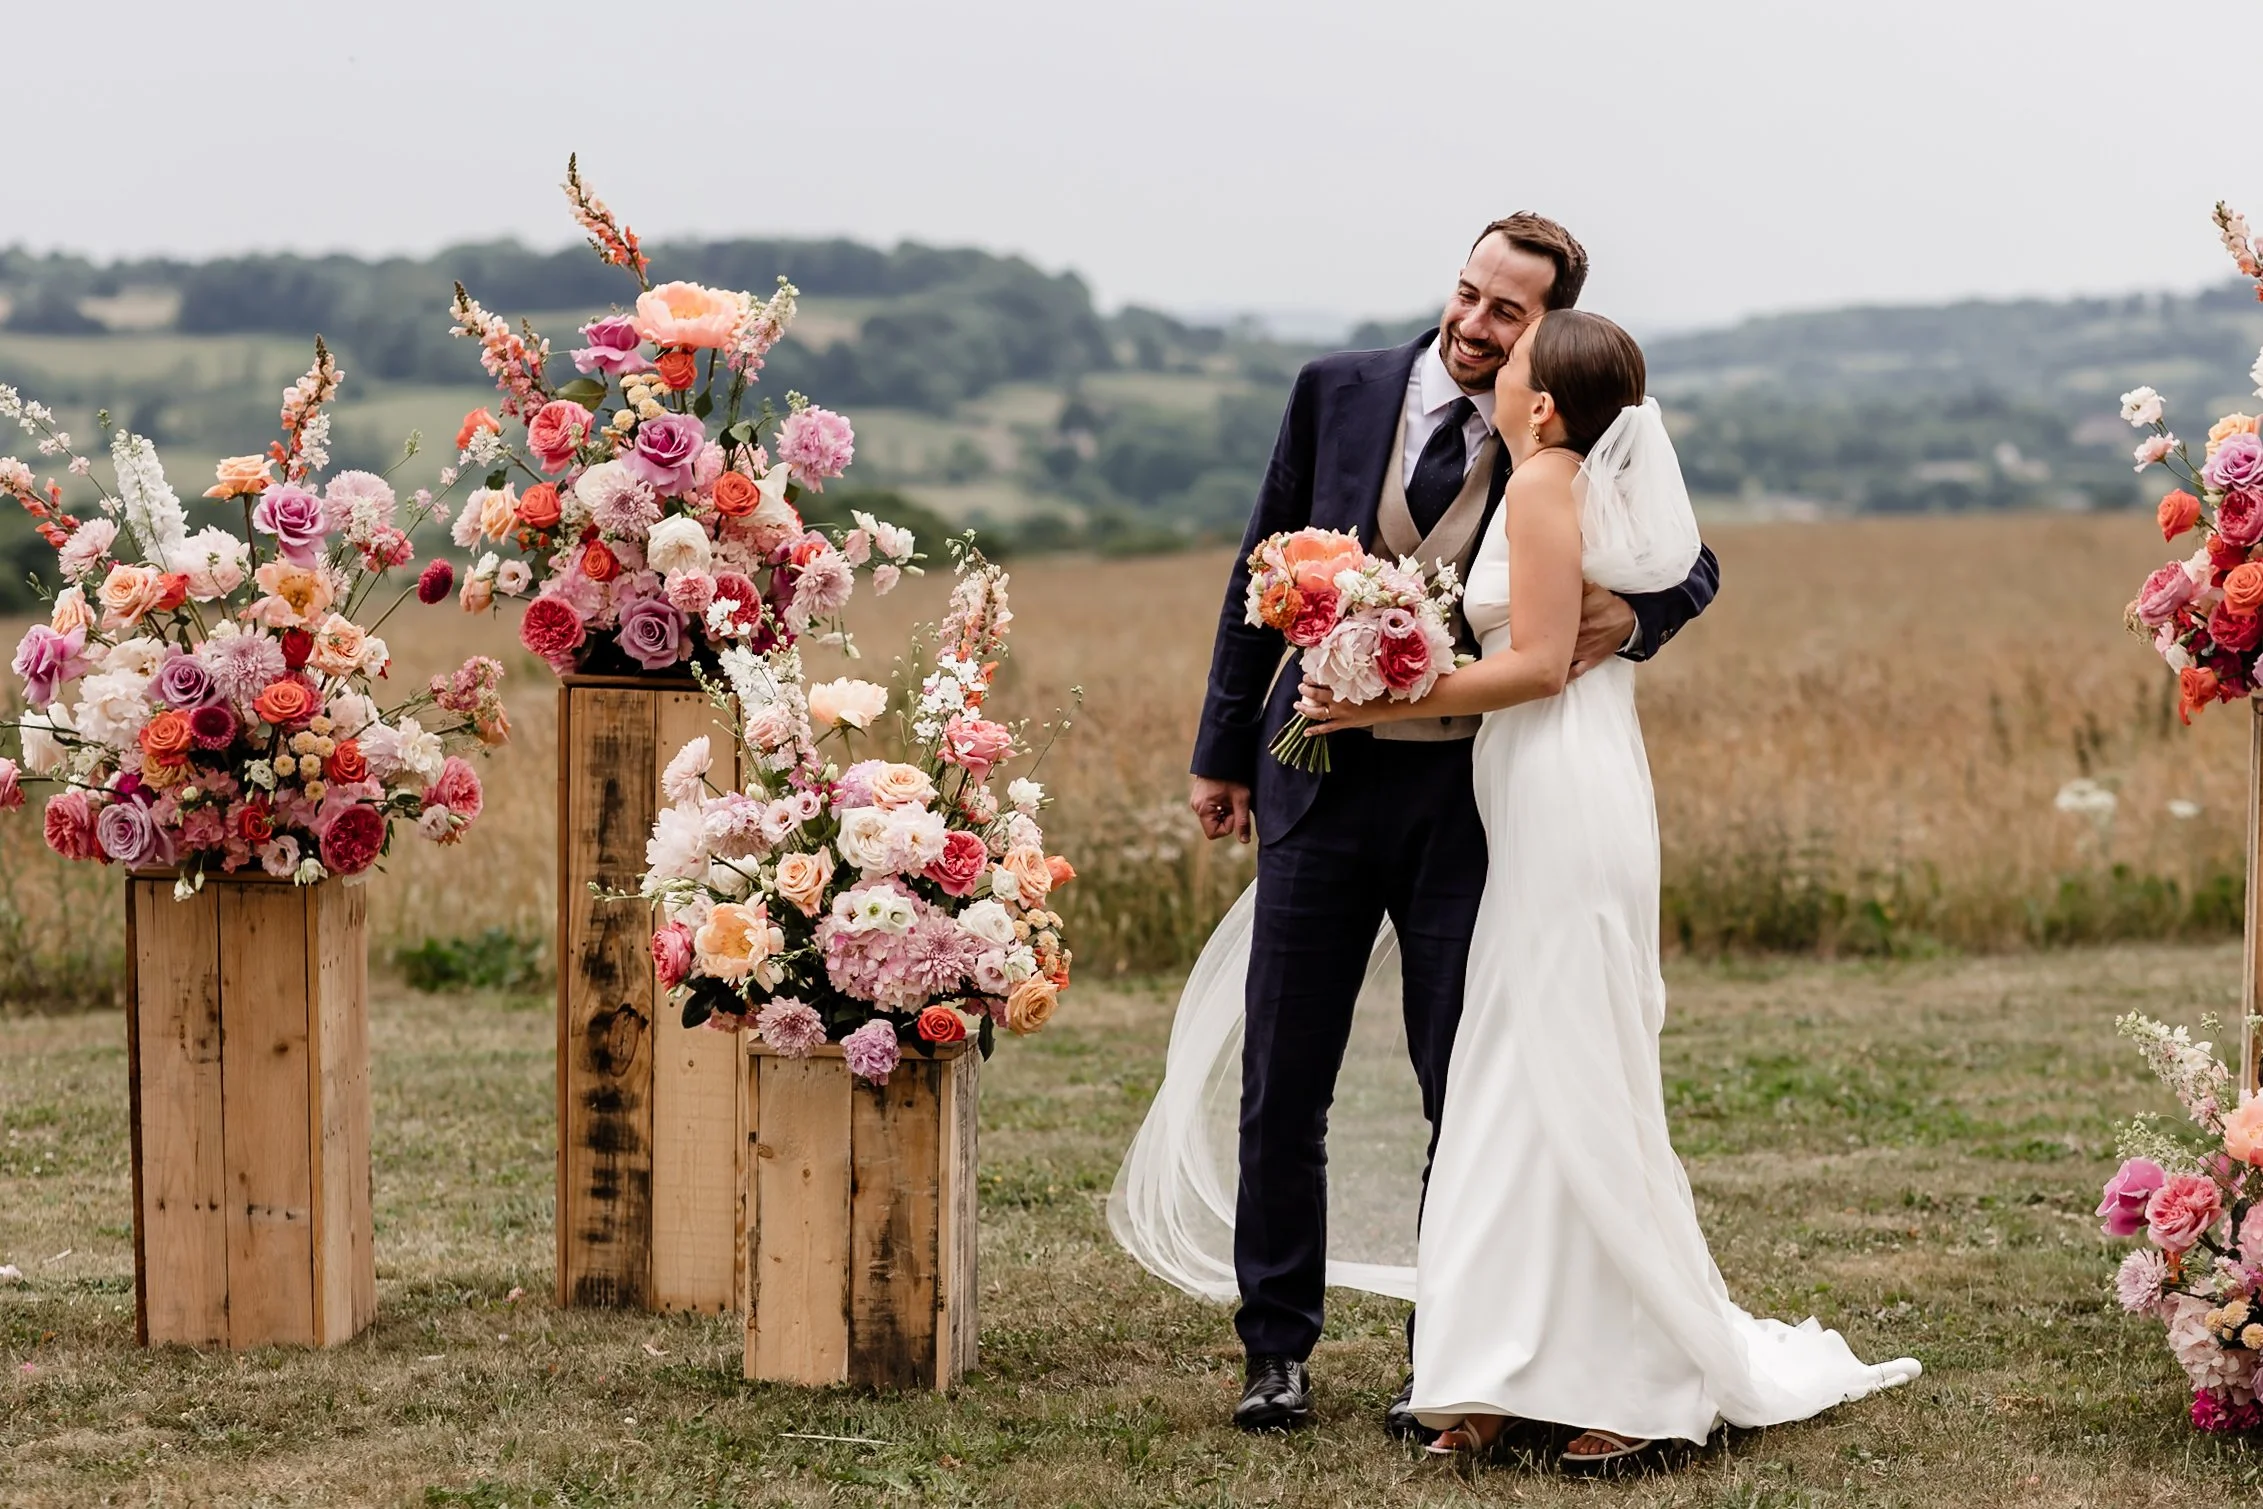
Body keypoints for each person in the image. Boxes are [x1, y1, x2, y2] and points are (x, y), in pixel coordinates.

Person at [1113, 213, 1719, 1437]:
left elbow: (1691, 565)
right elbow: (1257, 568)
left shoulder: (1564, 417)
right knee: (1285, 1079)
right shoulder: (1333, 390)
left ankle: (1450, 1353)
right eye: (1466, 293)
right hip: (1315, 789)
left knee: (1468, 1081)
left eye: (1505, 312)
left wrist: (1627, 627)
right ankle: (1273, 1353)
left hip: (1470, 806)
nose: (1473, 324)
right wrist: (1222, 750)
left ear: (1544, 330)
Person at [1292, 309, 1919, 1466]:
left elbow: (1532, 666)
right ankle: (1495, 1371)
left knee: (1560, 1060)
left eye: (1514, 367)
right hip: (1556, 784)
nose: (1491, 369)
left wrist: (1372, 702)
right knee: (1514, 1067)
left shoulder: (1541, 483)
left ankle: (1627, 1383)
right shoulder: (1575, 479)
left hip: (1560, 785)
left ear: (1540, 406)